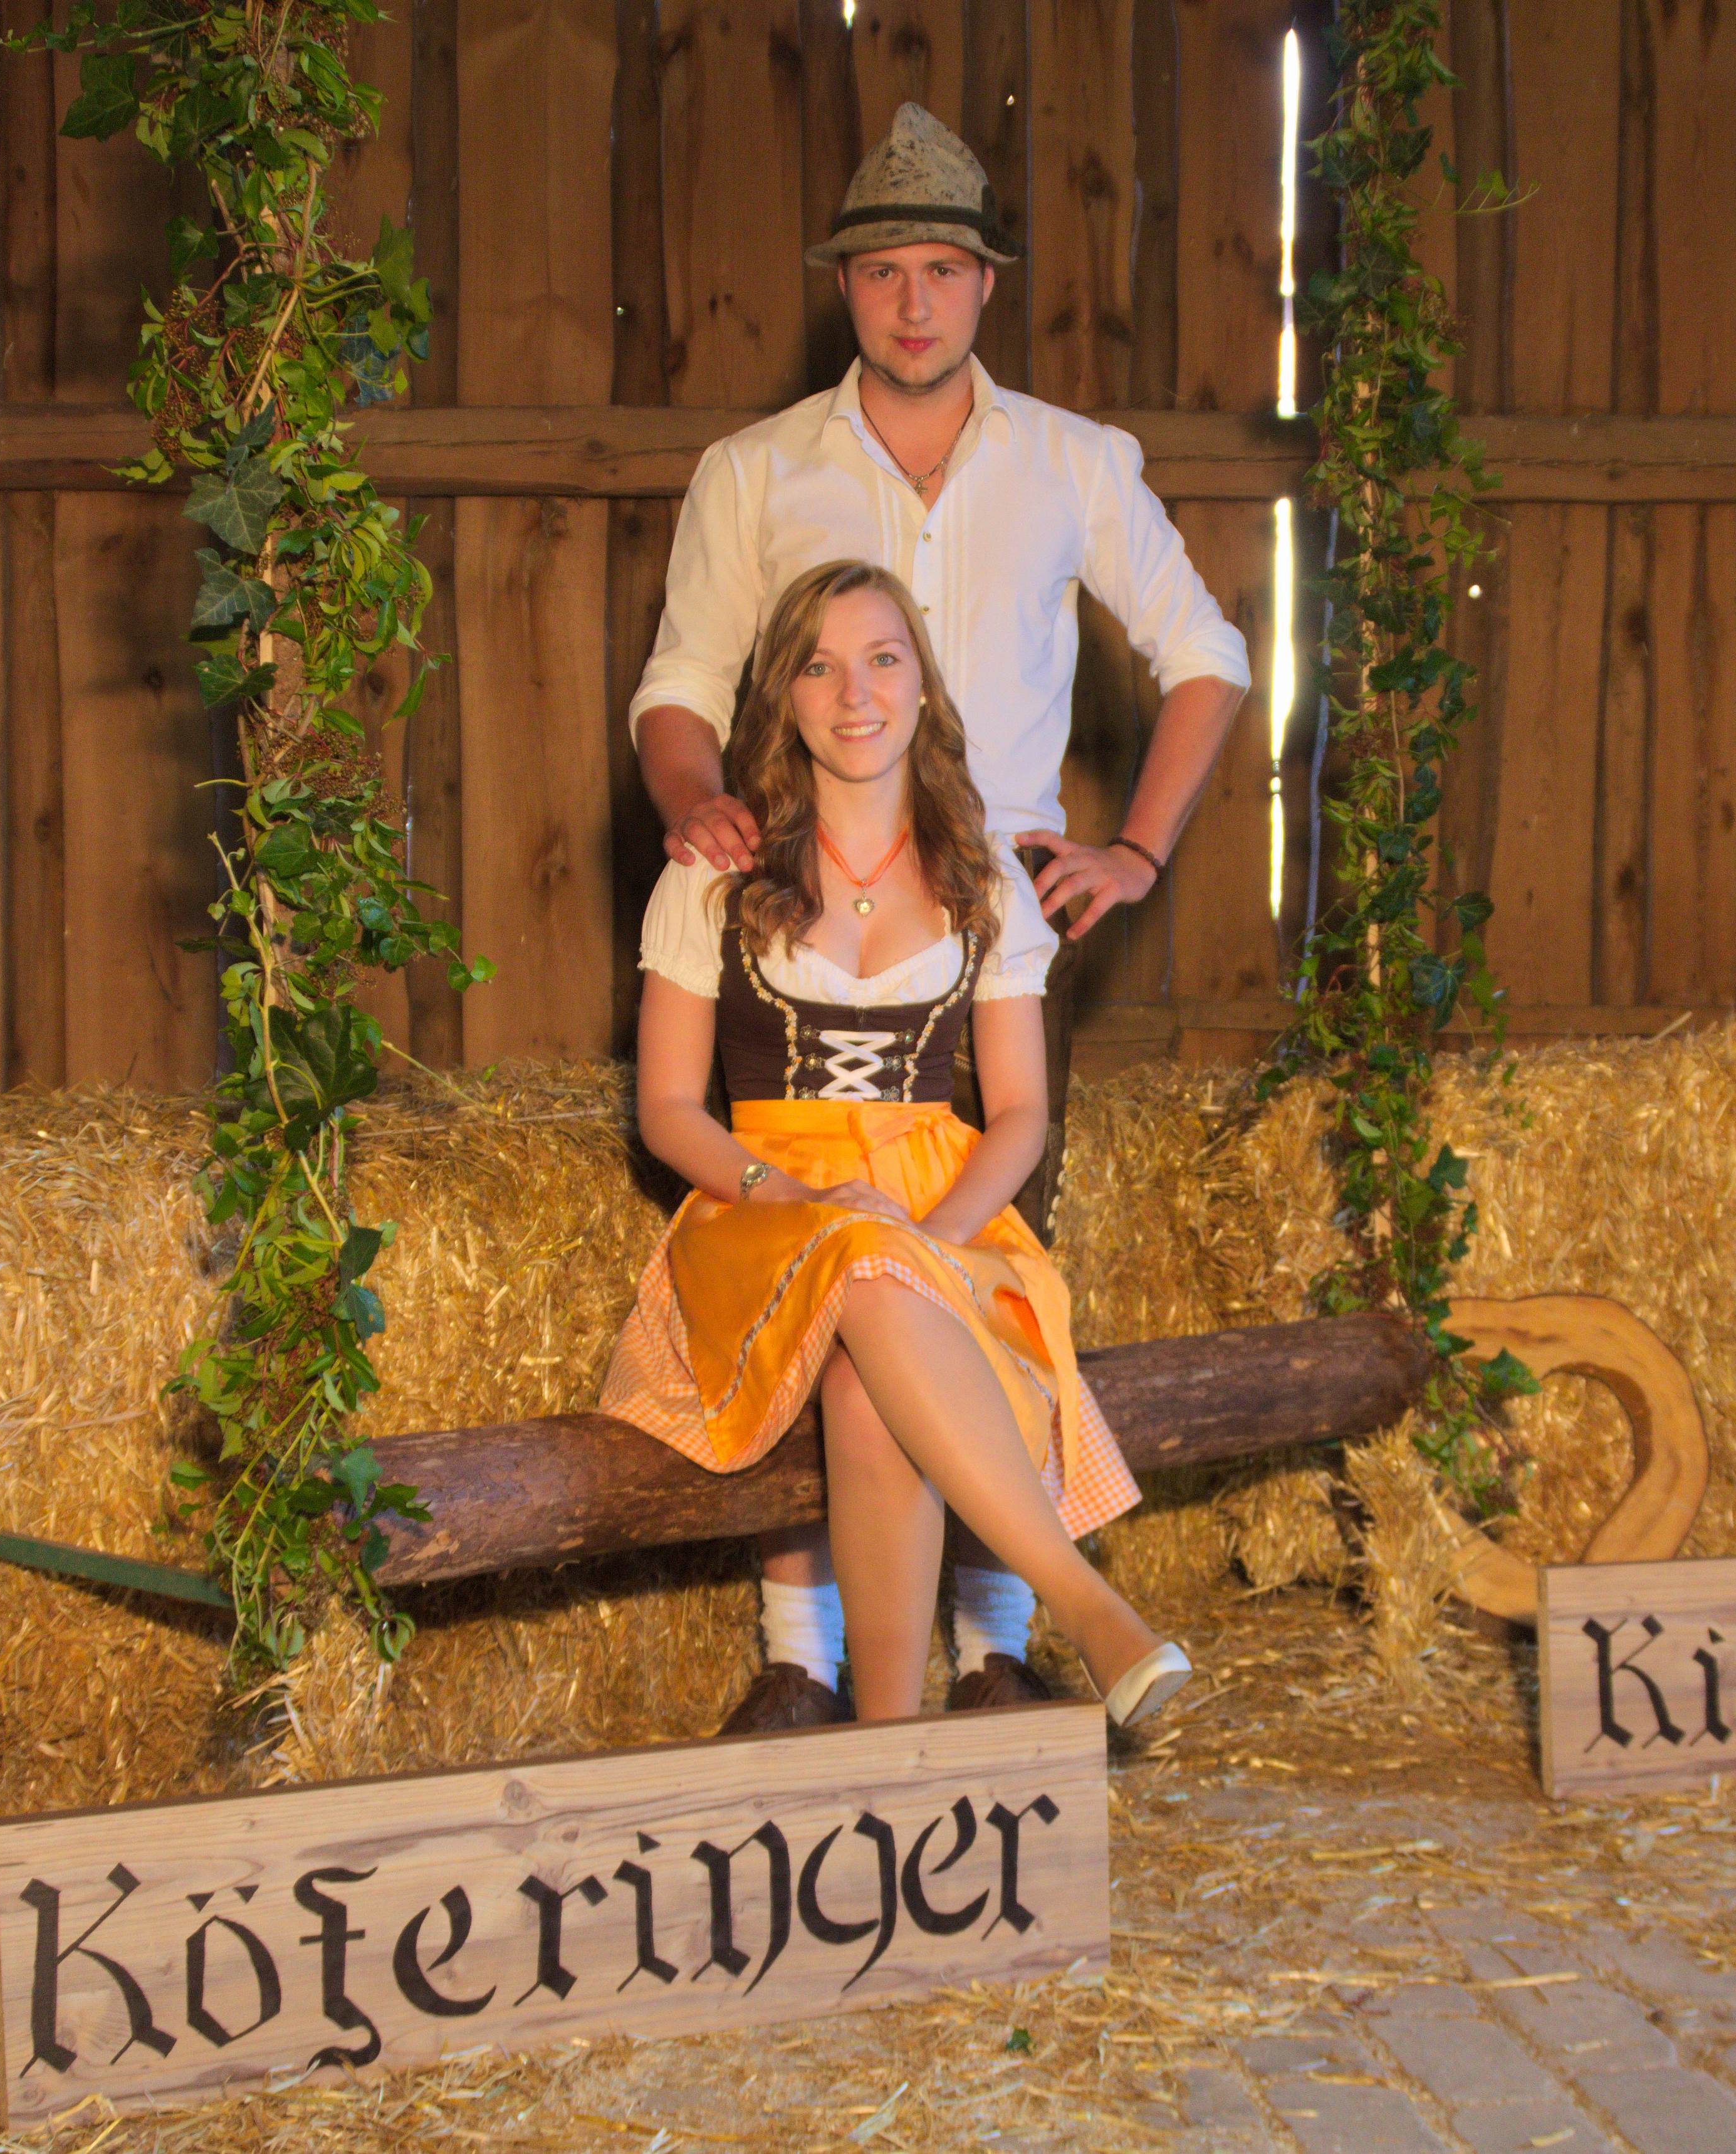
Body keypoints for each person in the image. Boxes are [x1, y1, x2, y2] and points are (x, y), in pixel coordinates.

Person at [629, 101, 1251, 1731]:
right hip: (795, 905)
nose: (914, 303)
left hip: (981, 920)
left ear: (988, 284)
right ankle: (807, 1656)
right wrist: (699, 806)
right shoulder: (754, 470)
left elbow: (1205, 654)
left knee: (972, 1251)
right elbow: (681, 685)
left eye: (945, 271)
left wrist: (1139, 848)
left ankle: (996, 1645)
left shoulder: (1073, 460)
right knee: (847, 1286)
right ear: (844, 284)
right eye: (883, 271)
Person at [602, 560, 1191, 1733]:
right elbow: (668, 1110)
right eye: (818, 667)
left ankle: (886, 1745)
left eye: (882, 659)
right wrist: (793, 1191)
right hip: (763, 1208)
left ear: (924, 685)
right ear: (783, 698)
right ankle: (1088, 1605)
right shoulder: (715, 876)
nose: (855, 693)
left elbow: (1019, 1115)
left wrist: (932, 1240)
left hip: (943, 1206)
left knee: (869, 1380)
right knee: (859, 1258)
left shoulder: (983, 878)